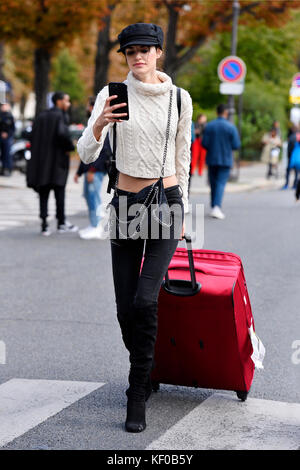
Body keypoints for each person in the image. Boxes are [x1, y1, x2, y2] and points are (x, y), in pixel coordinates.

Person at [77, 22, 192, 433]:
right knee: (126, 307)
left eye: (146, 49)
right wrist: (100, 124)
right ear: (124, 57)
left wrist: (184, 212)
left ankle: (137, 390)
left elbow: (182, 156)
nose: (138, 56)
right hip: (126, 203)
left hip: (165, 203)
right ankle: (146, 366)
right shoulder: (112, 95)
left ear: (159, 52)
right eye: (130, 52)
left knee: (146, 301)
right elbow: (86, 153)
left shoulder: (180, 98)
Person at [26, 92, 78, 236]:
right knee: (59, 193)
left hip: (42, 162)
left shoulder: (41, 116)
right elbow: (62, 134)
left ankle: (44, 225)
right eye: (66, 101)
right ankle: (61, 223)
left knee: (43, 193)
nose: (68, 104)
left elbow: (31, 136)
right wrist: (70, 147)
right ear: (59, 101)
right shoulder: (60, 116)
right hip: (58, 162)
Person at [202, 104, 240, 220]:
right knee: (220, 183)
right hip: (225, 159)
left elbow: (204, 143)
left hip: (212, 158)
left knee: (213, 183)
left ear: (217, 112)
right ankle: (217, 207)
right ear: (226, 113)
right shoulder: (231, 127)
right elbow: (236, 145)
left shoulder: (209, 126)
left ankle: (214, 205)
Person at [0, 102, 15, 176]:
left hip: (7, 138)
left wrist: (7, 134)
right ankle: (2, 169)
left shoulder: (10, 116)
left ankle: (7, 169)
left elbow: (12, 128)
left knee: (7, 154)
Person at [282, 126, 299, 190]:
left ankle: (286, 184)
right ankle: (295, 185)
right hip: (298, 158)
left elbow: (289, 149)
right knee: (296, 171)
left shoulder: (291, 138)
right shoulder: (298, 138)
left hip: (292, 157)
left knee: (288, 171)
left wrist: (289, 157)